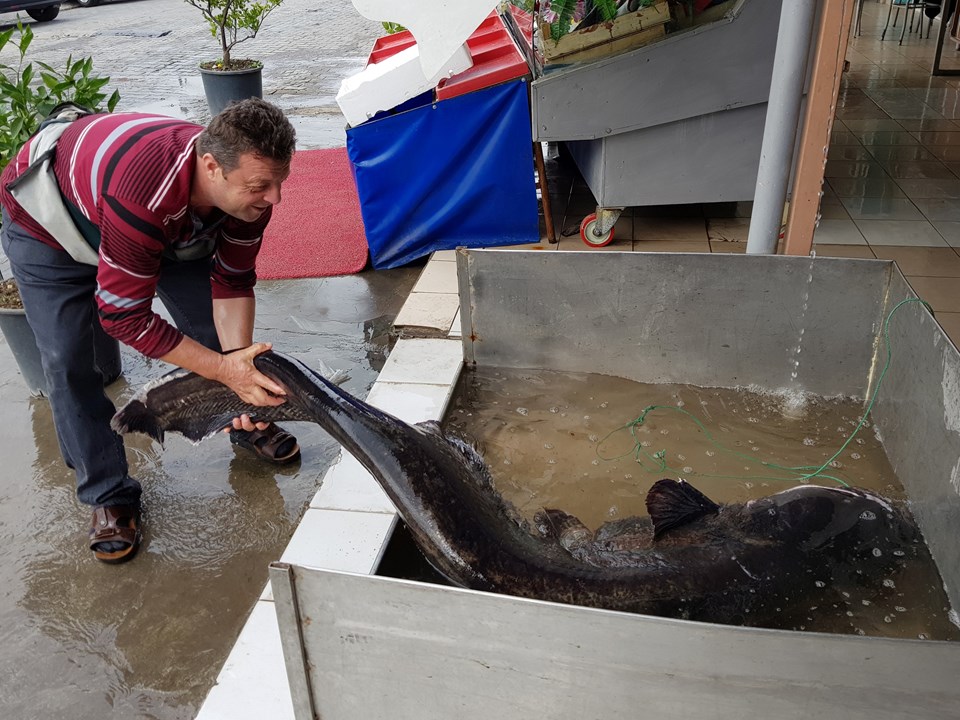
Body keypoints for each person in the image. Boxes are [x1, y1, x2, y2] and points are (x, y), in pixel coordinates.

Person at [0, 98, 300, 564]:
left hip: (156, 223)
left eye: (279, 182)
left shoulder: (249, 198)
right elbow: (123, 317)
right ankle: (107, 493)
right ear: (211, 166)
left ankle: (239, 420)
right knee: (68, 361)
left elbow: (233, 281)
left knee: (212, 338)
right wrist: (222, 369)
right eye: (261, 186)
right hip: (49, 225)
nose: (275, 199)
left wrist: (237, 370)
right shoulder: (145, 193)